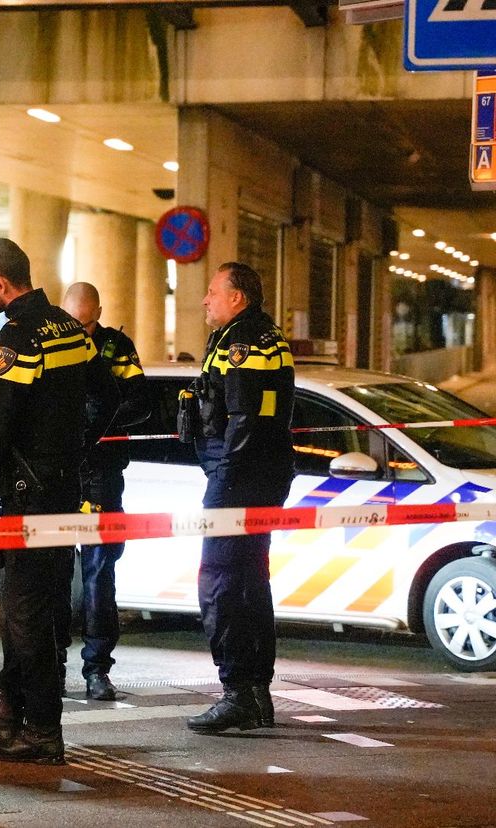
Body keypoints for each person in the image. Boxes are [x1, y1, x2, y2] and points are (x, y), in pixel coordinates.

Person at [0, 239, 116, 764]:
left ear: (1, 283)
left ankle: (42, 729)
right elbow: (109, 394)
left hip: (27, 497)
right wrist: (81, 446)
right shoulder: (69, 329)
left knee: (25, 613)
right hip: (63, 489)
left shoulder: (17, 339)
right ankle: (8, 710)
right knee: (29, 606)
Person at [184, 262, 294, 734]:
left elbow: (243, 419)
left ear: (238, 298)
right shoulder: (263, 336)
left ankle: (237, 692)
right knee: (250, 583)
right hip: (261, 476)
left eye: (213, 291)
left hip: (240, 480)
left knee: (220, 583)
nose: (205, 299)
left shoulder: (242, 344)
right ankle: (255, 694)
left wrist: (223, 482)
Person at [61, 281, 149, 701]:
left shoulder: (116, 347)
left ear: (98, 313)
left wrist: (100, 420)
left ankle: (97, 669)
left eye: (89, 322)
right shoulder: (50, 343)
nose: (83, 330)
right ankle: (51, 665)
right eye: (75, 323)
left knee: (99, 578)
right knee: (55, 577)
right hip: (59, 477)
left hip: (102, 477)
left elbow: (142, 402)